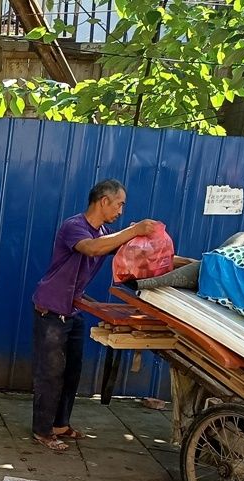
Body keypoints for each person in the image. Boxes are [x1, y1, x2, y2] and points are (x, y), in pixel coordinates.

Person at [31, 179, 157, 452]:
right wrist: (134, 229)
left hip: (73, 308)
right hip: (51, 308)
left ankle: (60, 425)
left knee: (72, 372)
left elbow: (129, 253)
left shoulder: (104, 232)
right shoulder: (74, 227)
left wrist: (174, 259)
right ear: (104, 201)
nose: (121, 210)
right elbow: (93, 248)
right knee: (51, 373)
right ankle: (42, 431)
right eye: (120, 203)